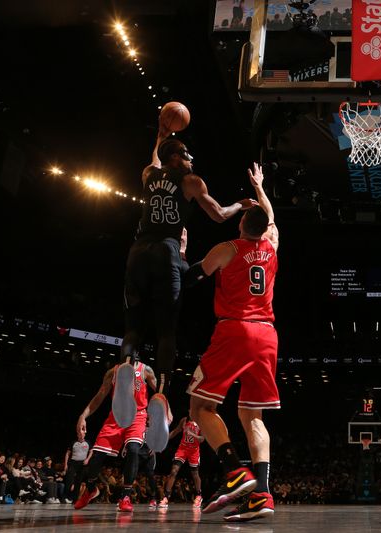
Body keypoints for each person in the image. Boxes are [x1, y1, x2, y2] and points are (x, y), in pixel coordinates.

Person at [112, 120, 258, 454]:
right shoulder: (191, 181)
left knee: (133, 324)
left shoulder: (149, 175)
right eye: (187, 153)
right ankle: (161, 393)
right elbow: (220, 215)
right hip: (167, 252)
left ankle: (126, 365)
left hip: (137, 252)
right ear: (178, 157)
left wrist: (161, 135)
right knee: (166, 330)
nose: (191, 157)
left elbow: (155, 157)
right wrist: (242, 205)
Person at [187, 162, 279, 522]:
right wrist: (260, 188)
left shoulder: (228, 247)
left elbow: (194, 276)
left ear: (242, 223)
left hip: (235, 328)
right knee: (251, 415)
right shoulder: (272, 245)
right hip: (267, 336)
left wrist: (179, 258)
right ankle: (263, 495)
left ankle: (235, 471)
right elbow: (269, 216)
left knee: (199, 408)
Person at [74, 361, 157, 512]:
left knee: (133, 449)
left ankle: (125, 496)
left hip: (138, 416)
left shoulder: (146, 370)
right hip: (116, 416)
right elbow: (100, 396)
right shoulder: (112, 372)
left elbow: (160, 394)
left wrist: (164, 412)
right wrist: (83, 416)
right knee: (96, 457)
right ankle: (91, 489)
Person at [158, 415, 204, 509]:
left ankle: (199, 495)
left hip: (194, 451)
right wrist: (164, 440)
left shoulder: (201, 421)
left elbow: (202, 439)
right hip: (182, 449)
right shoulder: (184, 420)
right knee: (173, 471)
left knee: (195, 474)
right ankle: (166, 497)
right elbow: (175, 431)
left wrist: (192, 434)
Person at [64, 428, 90, 503]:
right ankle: (66, 497)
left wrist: (87, 459)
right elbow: (67, 453)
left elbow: (91, 451)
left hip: (82, 464)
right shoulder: (73, 442)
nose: (81, 435)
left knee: (78, 482)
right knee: (69, 480)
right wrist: (66, 464)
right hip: (73, 463)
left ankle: (74, 499)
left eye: (83, 434)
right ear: (77, 435)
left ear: (84, 434)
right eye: (80, 434)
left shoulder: (88, 443)